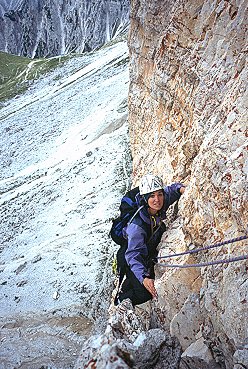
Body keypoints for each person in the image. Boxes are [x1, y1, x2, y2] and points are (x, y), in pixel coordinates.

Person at [116, 173, 185, 306]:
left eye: (159, 194)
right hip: (131, 253)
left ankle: (131, 283)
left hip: (144, 245)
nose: (157, 199)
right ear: (145, 198)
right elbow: (133, 255)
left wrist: (181, 189)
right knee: (144, 293)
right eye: (152, 196)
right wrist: (144, 279)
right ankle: (121, 299)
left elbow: (172, 190)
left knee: (142, 278)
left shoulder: (158, 204)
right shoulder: (137, 226)